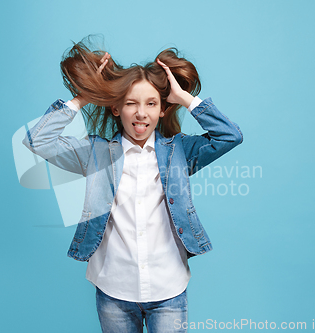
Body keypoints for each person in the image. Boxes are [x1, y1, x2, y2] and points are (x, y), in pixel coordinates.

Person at [22, 37, 243, 333]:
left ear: (163, 109)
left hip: (168, 288)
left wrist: (186, 99)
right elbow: (38, 140)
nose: (141, 113)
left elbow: (230, 136)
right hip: (114, 290)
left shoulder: (179, 151)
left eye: (151, 103)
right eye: (131, 103)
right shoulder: (96, 154)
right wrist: (83, 97)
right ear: (116, 109)